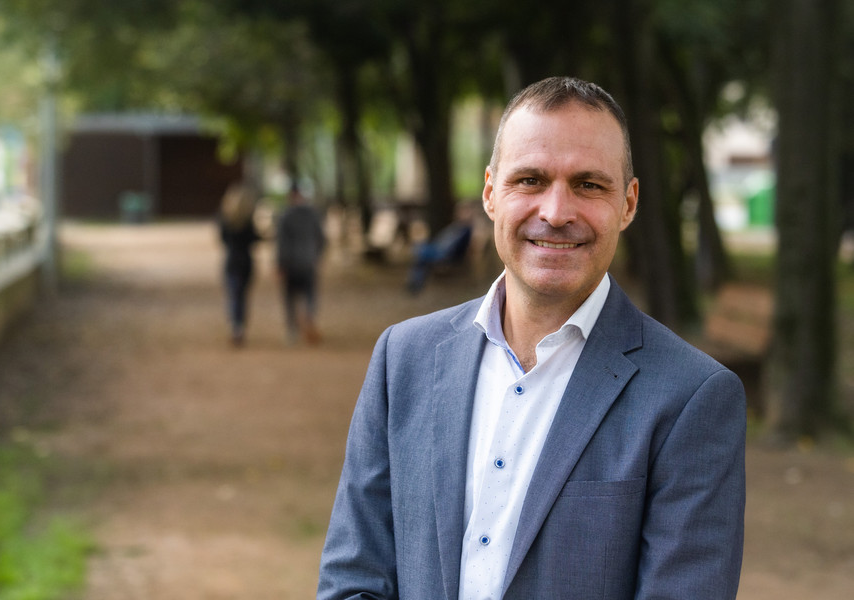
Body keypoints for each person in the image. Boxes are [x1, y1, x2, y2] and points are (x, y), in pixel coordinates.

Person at [317, 76, 746, 599]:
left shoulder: (692, 397)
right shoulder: (402, 359)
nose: (556, 212)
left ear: (629, 203)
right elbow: (354, 580)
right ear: (490, 192)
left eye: (589, 184)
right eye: (530, 180)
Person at [275, 182, 326, 345]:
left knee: (290, 297)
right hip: (308, 261)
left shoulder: (285, 216)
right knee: (309, 294)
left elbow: (281, 243)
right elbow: (322, 239)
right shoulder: (312, 214)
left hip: (290, 263)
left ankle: (292, 330)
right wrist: (316, 255)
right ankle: (309, 317)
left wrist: (280, 264)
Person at [217, 183, 261, 346]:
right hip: (246, 261)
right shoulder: (247, 220)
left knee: (234, 295)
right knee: (242, 295)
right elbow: (255, 239)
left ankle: (235, 326)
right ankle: (240, 325)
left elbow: (221, 239)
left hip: (232, 261)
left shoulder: (225, 219)